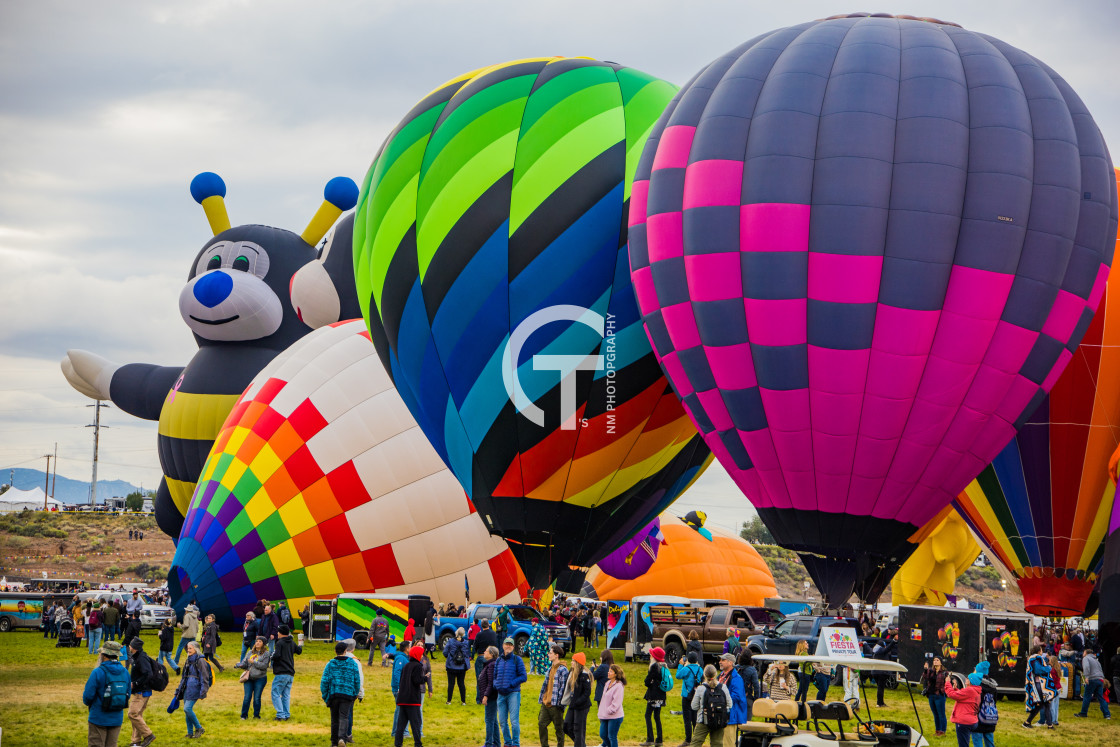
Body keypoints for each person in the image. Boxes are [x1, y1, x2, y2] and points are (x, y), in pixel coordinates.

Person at [83, 640, 130, 747]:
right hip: (117, 718)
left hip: (98, 717)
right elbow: (128, 694)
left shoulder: (97, 672)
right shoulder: (125, 672)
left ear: (104, 655)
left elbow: (87, 697)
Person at [323, 640, 363, 747]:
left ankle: (334, 742)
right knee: (344, 717)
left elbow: (324, 682)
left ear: (335, 651)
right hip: (347, 695)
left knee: (334, 719)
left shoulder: (330, 664)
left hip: (334, 694)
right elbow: (357, 681)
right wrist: (354, 694)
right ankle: (342, 738)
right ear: (345, 651)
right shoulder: (353, 664)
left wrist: (325, 696)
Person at [495, 636, 528, 747]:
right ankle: (507, 742)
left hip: (513, 693)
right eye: (506, 644)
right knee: (503, 722)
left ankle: (515, 743)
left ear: (513, 647)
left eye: (510, 644)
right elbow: (494, 677)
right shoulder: (498, 660)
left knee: (514, 721)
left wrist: (511, 684)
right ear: (503, 645)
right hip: (500, 694)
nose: (508, 646)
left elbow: (523, 676)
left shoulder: (517, 659)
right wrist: (497, 685)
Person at [174, 641, 211, 739]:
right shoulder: (188, 660)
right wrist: (178, 689)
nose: (188, 650)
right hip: (186, 688)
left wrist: (203, 691)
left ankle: (199, 728)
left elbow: (204, 677)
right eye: (188, 648)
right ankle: (190, 733)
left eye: (190, 648)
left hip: (195, 688)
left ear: (196, 649)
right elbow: (183, 677)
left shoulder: (200, 660)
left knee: (187, 708)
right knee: (187, 711)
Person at [393, 644, 427, 747]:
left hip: (403, 699)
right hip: (412, 700)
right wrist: (425, 678)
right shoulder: (418, 666)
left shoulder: (406, 665)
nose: (422, 656)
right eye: (421, 654)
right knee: (416, 724)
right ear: (417, 655)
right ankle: (418, 744)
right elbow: (417, 680)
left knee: (401, 725)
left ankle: (398, 744)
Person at [690, 664, 732, 747]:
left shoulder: (701, 688)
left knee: (696, 743)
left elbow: (693, 706)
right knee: (717, 744)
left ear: (704, 675)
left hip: (703, 720)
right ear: (716, 674)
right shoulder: (723, 687)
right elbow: (730, 704)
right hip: (719, 719)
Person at [538, 644, 569, 747]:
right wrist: (543, 697)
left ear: (556, 655)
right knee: (541, 724)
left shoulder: (563, 670)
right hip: (546, 703)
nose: (548, 654)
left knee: (559, 729)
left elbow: (563, 689)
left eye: (550, 653)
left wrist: (561, 705)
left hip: (556, 705)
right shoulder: (550, 668)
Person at [127, 638, 157, 747]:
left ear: (134, 647)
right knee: (137, 715)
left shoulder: (142, 658)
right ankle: (135, 741)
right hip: (142, 691)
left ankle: (148, 735)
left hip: (141, 692)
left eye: (130, 646)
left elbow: (147, 674)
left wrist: (135, 684)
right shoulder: (138, 657)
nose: (129, 647)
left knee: (132, 714)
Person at [234, 636, 271, 719]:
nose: (257, 643)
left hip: (260, 678)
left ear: (263, 644)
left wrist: (254, 662)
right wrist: (241, 665)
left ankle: (256, 715)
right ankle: (244, 716)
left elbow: (264, 666)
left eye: (260, 641)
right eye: (257, 641)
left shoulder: (266, 654)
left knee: (257, 698)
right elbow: (245, 663)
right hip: (249, 678)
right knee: (247, 697)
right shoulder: (250, 652)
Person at [271, 624, 303, 721]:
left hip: (281, 672)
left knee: (275, 693)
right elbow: (299, 651)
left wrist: (271, 656)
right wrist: (300, 643)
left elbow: (277, 656)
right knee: (286, 695)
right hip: (290, 673)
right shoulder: (292, 642)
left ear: (281, 633)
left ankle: (280, 714)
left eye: (278, 631)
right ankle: (286, 714)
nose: (277, 633)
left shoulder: (280, 643)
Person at [641, 647, 668, 747]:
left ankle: (650, 738)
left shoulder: (654, 667)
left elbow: (647, 681)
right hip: (661, 695)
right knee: (657, 717)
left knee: (647, 715)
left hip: (653, 695)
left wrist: (649, 682)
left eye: (651, 654)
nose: (650, 656)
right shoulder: (664, 667)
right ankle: (659, 739)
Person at [945, 672, 982, 747]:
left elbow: (951, 695)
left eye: (968, 678)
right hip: (972, 720)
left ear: (971, 681)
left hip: (964, 722)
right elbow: (963, 697)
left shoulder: (970, 690)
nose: (966, 679)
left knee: (963, 745)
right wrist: (955, 689)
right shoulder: (975, 691)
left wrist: (947, 683)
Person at [719, 652, 748, 745]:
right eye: (720, 660)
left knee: (728, 743)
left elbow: (736, 696)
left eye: (723, 660)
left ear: (730, 662)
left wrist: (720, 700)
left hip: (731, 716)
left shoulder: (736, 678)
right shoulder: (721, 675)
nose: (720, 662)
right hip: (721, 714)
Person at [564, 651, 592, 747]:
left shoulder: (584, 675)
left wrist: (578, 702)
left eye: (573, 661)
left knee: (578, 729)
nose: (571, 662)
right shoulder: (572, 673)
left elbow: (587, 692)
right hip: (573, 704)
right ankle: (581, 744)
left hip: (582, 706)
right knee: (567, 726)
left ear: (578, 663)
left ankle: (579, 744)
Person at [676, 651, 703, 746]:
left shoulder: (686, 669)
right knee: (695, 717)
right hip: (696, 696)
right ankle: (696, 739)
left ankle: (688, 739)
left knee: (687, 719)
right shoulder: (700, 669)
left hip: (686, 695)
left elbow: (678, 676)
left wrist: (680, 665)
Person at [1075, 647, 1111, 719]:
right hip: (1100, 679)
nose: (1083, 654)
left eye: (1084, 652)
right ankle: (1107, 714)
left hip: (1092, 679)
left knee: (1087, 696)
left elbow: (1086, 667)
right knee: (1101, 698)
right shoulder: (1096, 660)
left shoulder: (1086, 658)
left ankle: (1083, 713)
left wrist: (1087, 677)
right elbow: (1100, 669)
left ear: (1086, 653)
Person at [1024, 644, 1054, 727]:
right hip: (1039, 684)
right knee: (1043, 703)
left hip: (1038, 684)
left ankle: (1049, 724)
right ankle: (1027, 722)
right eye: (1041, 650)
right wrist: (1049, 667)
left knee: (1044, 703)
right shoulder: (1036, 659)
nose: (1042, 652)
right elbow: (1038, 670)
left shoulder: (1033, 659)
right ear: (1038, 651)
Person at [597, 664, 626, 747]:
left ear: (616, 674)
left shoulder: (619, 686)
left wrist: (609, 710)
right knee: (603, 734)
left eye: (611, 671)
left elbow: (616, 703)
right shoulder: (607, 683)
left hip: (615, 716)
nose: (608, 673)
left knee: (612, 736)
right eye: (609, 671)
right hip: (605, 715)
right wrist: (603, 712)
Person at [478, 646, 501, 747]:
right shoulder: (489, 664)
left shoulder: (491, 665)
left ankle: (488, 743)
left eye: (486, 651)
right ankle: (496, 743)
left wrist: (485, 695)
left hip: (491, 697)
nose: (484, 652)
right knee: (493, 720)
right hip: (492, 696)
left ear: (491, 654)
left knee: (489, 720)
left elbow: (491, 683)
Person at [920, 656, 948, 736]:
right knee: (935, 714)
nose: (935, 661)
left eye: (937, 660)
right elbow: (924, 677)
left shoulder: (944, 672)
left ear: (941, 662)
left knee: (941, 714)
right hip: (931, 695)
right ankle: (937, 730)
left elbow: (947, 683)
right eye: (934, 660)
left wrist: (941, 691)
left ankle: (943, 731)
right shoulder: (930, 671)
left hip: (939, 695)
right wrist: (925, 669)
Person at [444, 626, 472, 705]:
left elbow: (445, 652)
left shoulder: (450, 641)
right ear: (463, 634)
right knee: (461, 683)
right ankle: (463, 701)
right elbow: (467, 654)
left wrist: (449, 657)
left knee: (451, 684)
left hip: (451, 665)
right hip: (462, 666)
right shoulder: (466, 643)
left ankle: (449, 701)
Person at [474, 620, 499, 703]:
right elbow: (496, 644)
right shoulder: (493, 634)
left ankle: (480, 698)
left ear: (481, 626)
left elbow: (475, 646)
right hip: (493, 658)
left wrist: (473, 654)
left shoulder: (479, 634)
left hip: (481, 656)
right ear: (488, 625)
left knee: (480, 678)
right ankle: (489, 696)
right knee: (490, 679)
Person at [736, 650, 761, 722]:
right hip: (747, 697)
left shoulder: (736, 668)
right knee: (747, 723)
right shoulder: (752, 670)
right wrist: (756, 699)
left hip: (736, 697)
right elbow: (756, 687)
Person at [175, 602, 199, 666]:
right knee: (194, 648)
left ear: (187, 610)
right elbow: (197, 626)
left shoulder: (187, 616)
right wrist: (195, 632)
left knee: (180, 647)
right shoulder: (195, 616)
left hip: (186, 635)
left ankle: (176, 661)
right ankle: (196, 660)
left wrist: (180, 626)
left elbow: (186, 625)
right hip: (193, 634)